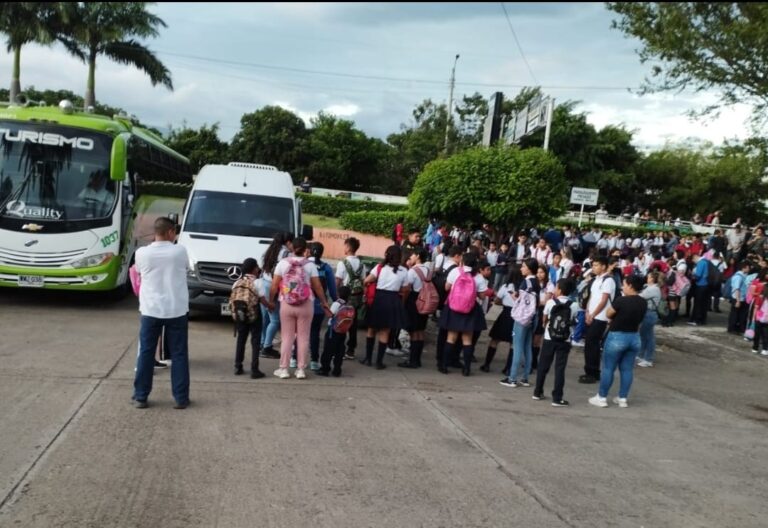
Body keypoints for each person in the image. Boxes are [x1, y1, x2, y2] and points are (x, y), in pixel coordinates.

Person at [131, 217, 191, 410]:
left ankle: (141, 396)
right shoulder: (179, 251)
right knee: (179, 354)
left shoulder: (142, 253)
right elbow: (186, 268)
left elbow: (139, 272)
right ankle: (181, 398)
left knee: (146, 353)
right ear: (171, 232)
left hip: (151, 309)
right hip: (176, 309)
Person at [268, 238, 332, 380]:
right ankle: (301, 370)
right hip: (306, 304)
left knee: (287, 338)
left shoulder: (282, 264)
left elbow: (274, 285)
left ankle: (283, 369)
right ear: (305, 249)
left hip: (286, 303)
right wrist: (324, 302)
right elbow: (318, 287)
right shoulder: (310, 265)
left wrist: (271, 301)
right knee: (303, 338)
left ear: (292, 248)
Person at [589, 275, 647, 408]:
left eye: (625, 284)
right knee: (627, 369)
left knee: (608, 368)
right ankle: (622, 398)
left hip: (617, 336)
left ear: (631, 286)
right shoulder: (643, 302)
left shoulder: (621, 300)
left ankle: (602, 397)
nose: (622, 287)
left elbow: (609, 313)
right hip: (634, 337)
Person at [438, 251, 488, 376]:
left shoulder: (455, 272)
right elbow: (482, 296)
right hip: (470, 309)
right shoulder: (478, 277)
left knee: (451, 337)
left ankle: (444, 365)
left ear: (463, 261)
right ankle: (466, 368)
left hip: (454, 308)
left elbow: (446, 288)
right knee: (467, 339)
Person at [361, 245, 410, 369]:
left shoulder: (379, 267)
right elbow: (405, 289)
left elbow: (366, 281)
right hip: (393, 300)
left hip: (378, 299)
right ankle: (379, 362)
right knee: (385, 331)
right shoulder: (404, 271)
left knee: (371, 329)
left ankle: (368, 358)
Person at [533, 278, 578, 406]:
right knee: (560, 368)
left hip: (549, 338)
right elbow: (573, 321)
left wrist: (546, 325)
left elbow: (544, 319)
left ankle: (537, 391)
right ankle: (557, 398)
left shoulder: (550, 302)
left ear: (560, 290)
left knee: (543, 366)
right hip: (564, 339)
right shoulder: (574, 305)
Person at [500, 258, 541, 387]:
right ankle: (525, 377)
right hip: (533, 317)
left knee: (517, 346)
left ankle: (512, 378)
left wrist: (515, 298)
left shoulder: (526, 282)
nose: (521, 269)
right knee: (527, 346)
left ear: (529, 268)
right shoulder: (536, 282)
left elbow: (524, 303)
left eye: (523, 266)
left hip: (522, 318)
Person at [229, 258, 268, 378]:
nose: (258, 269)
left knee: (241, 339)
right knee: (255, 341)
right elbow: (262, 300)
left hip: (240, 315)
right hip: (254, 314)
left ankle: (238, 366)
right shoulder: (258, 282)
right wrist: (271, 306)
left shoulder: (237, 282)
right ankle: (254, 369)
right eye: (257, 267)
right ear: (254, 269)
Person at [579, 256, 616, 384]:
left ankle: (593, 371)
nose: (594, 268)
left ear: (604, 266)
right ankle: (589, 370)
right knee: (589, 343)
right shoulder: (596, 280)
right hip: (591, 314)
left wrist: (593, 314)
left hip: (600, 317)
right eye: (593, 265)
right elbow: (592, 297)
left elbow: (604, 300)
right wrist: (587, 311)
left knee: (592, 343)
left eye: (596, 265)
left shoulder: (608, 280)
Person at [481, 265, 522, 373]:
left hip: (505, 314)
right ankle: (508, 368)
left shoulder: (505, 286)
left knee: (495, 339)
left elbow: (498, 300)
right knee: (513, 343)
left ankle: (487, 364)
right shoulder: (523, 288)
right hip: (517, 316)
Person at [259, 233, 290, 360]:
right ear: (288, 242)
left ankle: (261, 342)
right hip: (274, 286)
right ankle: (267, 347)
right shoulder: (285, 253)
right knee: (275, 320)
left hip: (263, 283)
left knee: (265, 317)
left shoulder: (268, 251)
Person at [399, 248, 432, 369]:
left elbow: (407, 289)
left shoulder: (412, 271)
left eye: (412, 255)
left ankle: (412, 360)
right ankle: (417, 359)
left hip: (414, 300)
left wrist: (403, 302)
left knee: (413, 331)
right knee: (420, 331)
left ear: (417, 256)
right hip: (425, 300)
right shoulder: (428, 270)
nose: (410, 258)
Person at [335, 237, 365, 360]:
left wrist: (336, 295)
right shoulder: (361, 264)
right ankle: (351, 350)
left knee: (342, 322)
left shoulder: (343, 263)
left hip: (345, 295)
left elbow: (338, 280)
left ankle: (339, 348)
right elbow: (363, 280)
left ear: (347, 247)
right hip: (357, 296)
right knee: (353, 324)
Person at [309, 242, 337, 371]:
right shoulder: (326, 268)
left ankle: (294, 358)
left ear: (309, 251)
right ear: (322, 253)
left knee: (299, 333)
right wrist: (336, 303)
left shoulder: (303, 265)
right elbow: (332, 289)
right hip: (319, 306)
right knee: (315, 333)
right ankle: (314, 360)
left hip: (302, 304)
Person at [317, 286, 352, 377]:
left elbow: (330, 315)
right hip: (343, 331)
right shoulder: (349, 304)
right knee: (339, 351)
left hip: (333, 330)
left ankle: (325, 369)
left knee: (328, 350)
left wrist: (324, 307)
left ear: (338, 293)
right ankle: (337, 370)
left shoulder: (337, 303)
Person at [637, 271, 662, 368]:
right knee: (644, 335)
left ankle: (648, 359)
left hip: (650, 313)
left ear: (652, 279)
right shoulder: (649, 287)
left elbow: (640, 296)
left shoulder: (653, 289)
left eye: (648, 277)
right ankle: (641, 355)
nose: (647, 278)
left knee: (648, 337)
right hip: (647, 313)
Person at [728, 261, 752, 334]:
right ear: (743, 268)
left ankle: (737, 328)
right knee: (734, 314)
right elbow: (737, 289)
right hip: (737, 298)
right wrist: (738, 301)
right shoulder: (738, 277)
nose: (749, 269)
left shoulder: (744, 276)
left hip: (742, 298)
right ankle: (732, 329)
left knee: (739, 314)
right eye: (748, 268)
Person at [688, 253, 710, 326]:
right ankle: (702, 319)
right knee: (703, 304)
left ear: (695, 257)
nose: (694, 262)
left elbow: (698, 276)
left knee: (698, 303)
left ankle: (696, 319)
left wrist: (691, 275)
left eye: (693, 260)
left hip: (700, 285)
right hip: (706, 285)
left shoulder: (700, 263)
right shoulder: (706, 261)